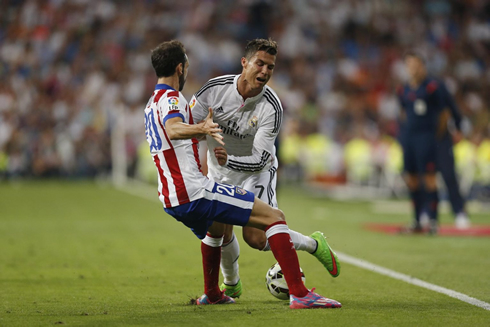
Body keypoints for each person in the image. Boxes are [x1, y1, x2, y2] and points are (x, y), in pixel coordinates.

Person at [144, 40, 341, 309]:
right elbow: (180, 128)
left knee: (251, 237)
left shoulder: (271, 106)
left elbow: (261, 156)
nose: (264, 71)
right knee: (266, 220)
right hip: (203, 182)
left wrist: (219, 148)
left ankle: (217, 292)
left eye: (270, 66)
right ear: (244, 62)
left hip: (249, 173)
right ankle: (298, 293)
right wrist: (206, 132)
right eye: (260, 63)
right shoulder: (204, 93)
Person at [397, 51, 447, 234]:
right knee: (411, 179)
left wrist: (435, 135)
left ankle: (433, 221)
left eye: (415, 65)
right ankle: (417, 220)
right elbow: (403, 112)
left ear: (422, 66)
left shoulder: (432, 87)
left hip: (426, 137)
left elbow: (443, 114)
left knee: (429, 178)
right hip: (409, 138)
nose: (412, 69)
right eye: (409, 65)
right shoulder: (403, 89)